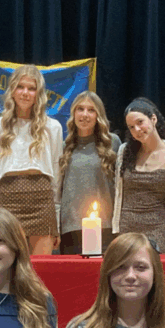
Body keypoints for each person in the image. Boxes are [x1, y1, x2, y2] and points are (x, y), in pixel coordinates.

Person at [0, 65, 65, 255]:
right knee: (10, 270)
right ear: (12, 90)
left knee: (41, 272)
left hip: (42, 203)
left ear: (39, 93)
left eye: (31, 88)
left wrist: (57, 222)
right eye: (20, 87)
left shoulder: (53, 127)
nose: (25, 93)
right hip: (8, 202)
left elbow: (57, 179)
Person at [57, 91, 122, 254]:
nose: (85, 115)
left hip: (105, 228)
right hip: (71, 230)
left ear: (98, 115)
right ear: (73, 113)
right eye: (80, 109)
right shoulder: (64, 147)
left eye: (91, 110)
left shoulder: (112, 143)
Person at [115, 98, 165, 254]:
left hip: (158, 227)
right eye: (131, 127)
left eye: (140, 122)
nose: (137, 129)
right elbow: (118, 193)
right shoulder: (125, 151)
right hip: (127, 226)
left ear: (153, 119)